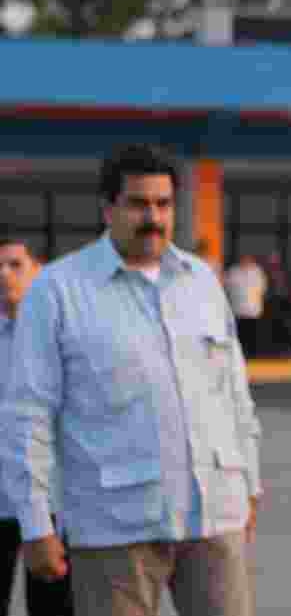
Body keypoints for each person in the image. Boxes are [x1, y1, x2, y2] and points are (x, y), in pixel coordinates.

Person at [0, 144, 262, 616]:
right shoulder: (59, 291)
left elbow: (234, 395)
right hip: (114, 528)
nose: (153, 218)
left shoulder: (201, 282)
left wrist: (250, 482)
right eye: (138, 204)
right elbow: (28, 414)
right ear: (108, 208)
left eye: (163, 205)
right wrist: (36, 522)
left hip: (213, 516)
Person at [0, 238, 73, 615]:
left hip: (50, 502)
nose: (4, 275)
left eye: (15, 264)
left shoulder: (63, 336)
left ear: (38, 271)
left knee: (52, 609)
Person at [224, 254, 269, 356]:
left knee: (253, 334)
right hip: (238, 309)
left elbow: (262, 287)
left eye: (248, 260)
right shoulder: (233, 272)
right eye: (244, 259)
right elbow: (227, 287)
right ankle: (240, 353)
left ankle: (253, 353)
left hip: (253, 310)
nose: (246, 262)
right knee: (240, 335)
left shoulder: (257, 272)